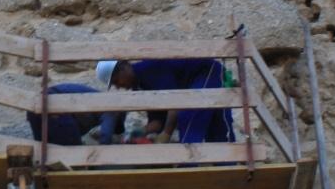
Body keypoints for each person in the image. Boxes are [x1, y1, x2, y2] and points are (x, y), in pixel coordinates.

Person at [97, 58, 232, 144]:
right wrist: (138, 133)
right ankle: (225, 168)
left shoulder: (148, 70)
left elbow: (174, 101)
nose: (118, 86)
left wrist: (166, 134)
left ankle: (189, 167)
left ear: (125, 67)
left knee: (189, 116)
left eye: (116, 81)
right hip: (194, 84)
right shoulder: (141, 86)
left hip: (207, 72)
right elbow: (157, 122)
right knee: (214, 127)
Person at [27, 82, 104, 145]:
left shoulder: (95, 95)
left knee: (42, 149)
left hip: (35, 105)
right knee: (73, 152)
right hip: (55, 104)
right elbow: (106, 135)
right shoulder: (108, 107)